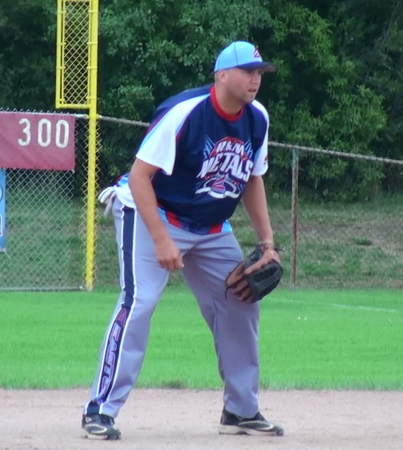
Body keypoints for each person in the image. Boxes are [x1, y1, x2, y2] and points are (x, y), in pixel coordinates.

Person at [81, 40, 284, 440]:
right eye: (248, 71)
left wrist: (267, 243)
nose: (256, 79)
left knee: (241, 302)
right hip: (151, 211)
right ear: (222, 75)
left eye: (260, 72)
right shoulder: (186, 112)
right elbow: (139, 178)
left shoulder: (257, 118)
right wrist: (161, 239)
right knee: (139, 302)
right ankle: (99, 410)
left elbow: (252, 179)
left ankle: (240, 411)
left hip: (209, 225)